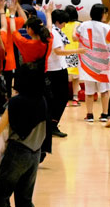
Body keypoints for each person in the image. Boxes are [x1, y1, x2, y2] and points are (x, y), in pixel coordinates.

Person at [0, 64, 47, 206]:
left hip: (17, 152)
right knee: (25, 199)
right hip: (35, 153)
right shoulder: (42, 100)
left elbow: (0, 128)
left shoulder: (15, 102)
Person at [46, 8, 86, 137]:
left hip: (55, 68)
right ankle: (52, 124)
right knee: (61, 98)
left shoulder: (52, 30)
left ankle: (51, 123)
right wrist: (77, 51)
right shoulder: (55, 33)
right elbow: (58, 51)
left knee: (56, 98)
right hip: (57, 69)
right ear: (58, 22)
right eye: (63, 23)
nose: (64, 25)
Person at [75, 4, 110, 122]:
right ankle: (105, 114)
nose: (106, 15)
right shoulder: (107, 27)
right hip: (103, 63)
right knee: (105, 90)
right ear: (101, 13)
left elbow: (75, 37)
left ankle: (89, 114)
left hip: (88, 62)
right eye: (105, 12)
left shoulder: (83, 25)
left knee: (89, 90)